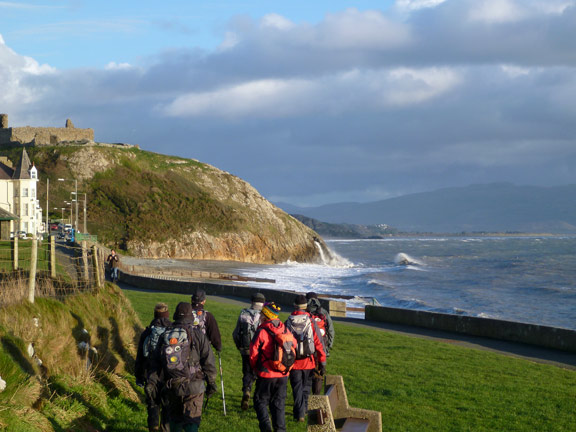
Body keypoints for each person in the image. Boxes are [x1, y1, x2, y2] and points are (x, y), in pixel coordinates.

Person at [159, 302, 217, 432]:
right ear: (191, 316)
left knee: (175, 420)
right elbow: (209, 362)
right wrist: (211, 383)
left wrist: (155, 384)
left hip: (172, 384)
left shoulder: (166, 335)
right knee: (192, 421)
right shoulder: (199, 335)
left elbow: (157, 362)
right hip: (194, 386)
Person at [250, 302, 295, 432]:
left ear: (266, 316)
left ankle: (266, 428)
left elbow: (253, 352)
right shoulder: (285, 329)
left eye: (262, 314)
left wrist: (254, 368)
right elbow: (294, 346)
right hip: (283, 373)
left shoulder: (262, 330)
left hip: (266, 373)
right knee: (279, 404)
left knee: (260, 401)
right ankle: (280, 430)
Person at [285, 295, 326, 422]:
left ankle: (299, 413)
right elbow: (319, 343)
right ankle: (305, 409)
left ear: (294, 306)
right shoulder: (311, 321)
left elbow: (285, 342)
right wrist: (322, 361)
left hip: (294, 362)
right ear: (305, 307)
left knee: (297, 388)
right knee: (306, 387)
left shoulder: (288, 321)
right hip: (309, 361)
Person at [135, 303, 172, 432]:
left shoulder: (148, 332)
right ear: (167, 314)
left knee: (152, 404)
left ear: (155, 314)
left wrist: (139, 376)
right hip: (168, 374)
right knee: (167, 405)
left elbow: (140, 356)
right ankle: (165, 429)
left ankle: (153, 428)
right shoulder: (173, 331)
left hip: (151, 373)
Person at [232, 292, 266, 410]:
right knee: (260, 373)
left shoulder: (243, 313)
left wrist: (239, 347)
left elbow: (235, 333)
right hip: (260, 351)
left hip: (245, 350)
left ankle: (246, 391)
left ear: (252, 301)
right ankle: (258, 398)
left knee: (247, 372)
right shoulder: (263, 315)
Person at [306, 292, 335, 395]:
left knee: (306, 373)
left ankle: (305, 398)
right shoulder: (323, 312)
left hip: (306, 348)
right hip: (321, 349)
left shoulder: (305, 312)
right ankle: (316, 398)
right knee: (318, 374)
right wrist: (328, 347)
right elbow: (331, 331)